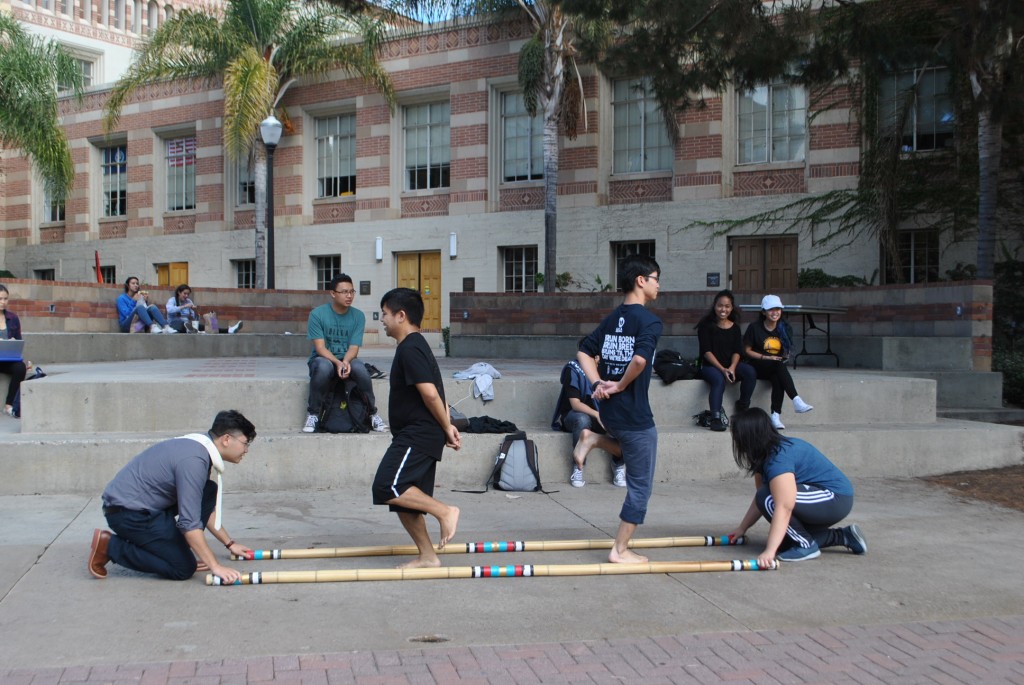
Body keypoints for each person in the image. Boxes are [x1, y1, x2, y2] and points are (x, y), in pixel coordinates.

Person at [88, 409, 257, 582]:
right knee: (183, 568)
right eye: (245, 443)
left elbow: (200, 507)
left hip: (145, 507)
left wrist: (230, 543)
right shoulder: (194, 461)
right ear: (227, 439)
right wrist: (216, 566)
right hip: (128, 515)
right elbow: (189, 523)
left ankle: (173, 553)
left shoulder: (198, 446)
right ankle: (110, 546)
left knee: (208, 490)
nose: (246, 450)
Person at [577, 254, 663, 564]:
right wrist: (620, 385)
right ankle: (619, 550)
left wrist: (599, 382)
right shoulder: (649, 321)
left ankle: (594, 439)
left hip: (610, 414)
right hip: (633, 415)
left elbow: (583, 351)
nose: (658, 285)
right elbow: (639, 360)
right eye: (655, 278)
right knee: (641, 485)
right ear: (641, 281)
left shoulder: (613, 318)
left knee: (629, 447)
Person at [371, 287, 461, 568]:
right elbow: (436, 388)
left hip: (418, 433)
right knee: (404, 500)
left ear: (401, 315)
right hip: (421, 432)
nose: (382, 320)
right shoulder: (416, 345)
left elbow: (431, 394)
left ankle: (446, 512)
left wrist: (447, 427)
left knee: (388, 485)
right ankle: (428, 556)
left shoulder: (410, 348)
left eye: (385, 314)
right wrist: (447, 425)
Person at [727, 407, 867, 564]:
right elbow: (760, 500)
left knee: (771, 500)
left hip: (835, 497)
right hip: (818, 499)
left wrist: (769, 551)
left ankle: (806, 545)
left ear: (749, 438)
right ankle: (844, 536)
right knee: (786, 542)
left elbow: (783, 505)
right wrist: (742, 528)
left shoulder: (779, 458)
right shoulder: (764, 456)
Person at [303, 273, 387, 433]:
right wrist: (338, 362)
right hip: (324, 359)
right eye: (344, 292)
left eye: (351, 291)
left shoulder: (358, 316)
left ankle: (372, 414)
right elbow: (320, 348)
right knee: (323, 367)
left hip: (347, 359)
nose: (349, 296)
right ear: (333, 294)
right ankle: (313, 413)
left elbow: (354, 348)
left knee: (360, 369)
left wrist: (346, 362)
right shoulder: (317, 314)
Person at [550, 356, 625, 488]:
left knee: (619, 417)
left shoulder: (607, 369)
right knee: (582, 419)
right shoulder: (574, 369)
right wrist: (597, 414)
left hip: (601, 413)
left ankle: (618, 464)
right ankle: (578, 466)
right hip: (574, 416)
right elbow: (575, 404)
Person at [743, 294, 813, 430]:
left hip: (775, 366)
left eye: (778, 309)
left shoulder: (784, 328)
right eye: (771, 309)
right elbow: (747, 351)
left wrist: (785, 355)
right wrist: (766, 357)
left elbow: (786, 350)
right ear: (763, 312)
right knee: (777, 365)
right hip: (756, 364)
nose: (775, 313)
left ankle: (775, 416)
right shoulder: (754, 327)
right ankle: (796, 399)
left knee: (777, 377)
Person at [695, 289, 756, 432]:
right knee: (719, 380)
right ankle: (715, 418)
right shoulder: (705, 325)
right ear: (714, 306)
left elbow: (737, 351)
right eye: (720, 305)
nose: (723, 309)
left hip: (730, 365)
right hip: (710, 366)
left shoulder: (734, 327)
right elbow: (706, 352)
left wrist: (733, 367)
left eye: (727, 306)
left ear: (731, 307)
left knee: (750, 372)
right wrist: (723, 370)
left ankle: (742, 406)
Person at [166, 284, 243, 334]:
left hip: (188, 324)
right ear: (179, 292)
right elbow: (170, 310)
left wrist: (195, 311)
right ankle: (195, 330)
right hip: (174, 324)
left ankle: (229, 330)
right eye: (184, 293)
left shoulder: (189, 301)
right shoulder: (172, 300)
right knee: (184, 324)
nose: (186, 296)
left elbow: (195, 318)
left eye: (188, 294)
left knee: (204, 326)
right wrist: (184, 306)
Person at [0, 284, 27, 418]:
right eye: (0, 299)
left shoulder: (13, 318)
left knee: (20, 367)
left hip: (7, 358)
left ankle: (9, 404)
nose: (3, 302)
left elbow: (18, 341)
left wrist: (12, 342)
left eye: (5, 299)